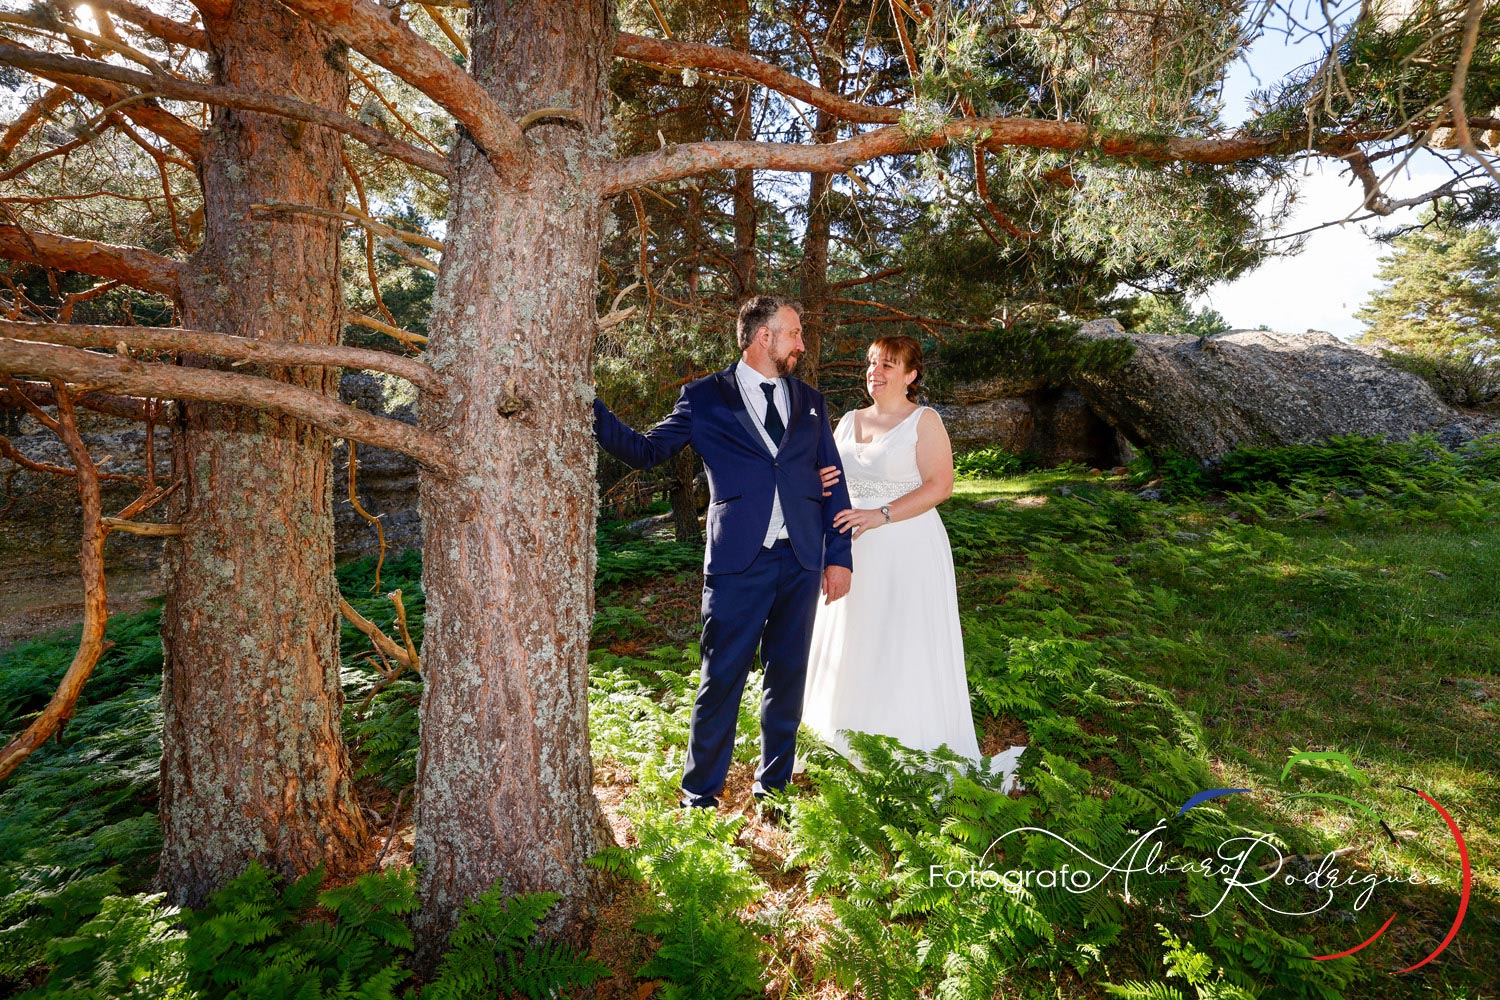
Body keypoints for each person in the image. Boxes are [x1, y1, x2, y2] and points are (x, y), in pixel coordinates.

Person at [592, 295, 854, 813]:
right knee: (721, 679)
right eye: (794, 333)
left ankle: (774, 788)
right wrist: (588, 405)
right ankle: (700, 795)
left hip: (801, 559)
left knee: (788, 679)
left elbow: (833, 478)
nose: (802, 344)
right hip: (738, 562)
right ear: (764, 337)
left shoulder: (811, 401)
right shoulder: (705, 398)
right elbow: (647, 451)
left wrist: (839, 556)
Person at [802, 336, 1023, 790]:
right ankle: (846, 736)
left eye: (888, 364)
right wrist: (819, 485)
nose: (875, 371)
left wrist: (879, 514)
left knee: (901, 641)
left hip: (908, 548)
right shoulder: (848, 421)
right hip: (851, 551)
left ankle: (906, 742)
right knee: (854, 638)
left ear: (911, 374)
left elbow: (941, 485)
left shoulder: (924, 421)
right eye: (871, 362)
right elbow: (832, 481)